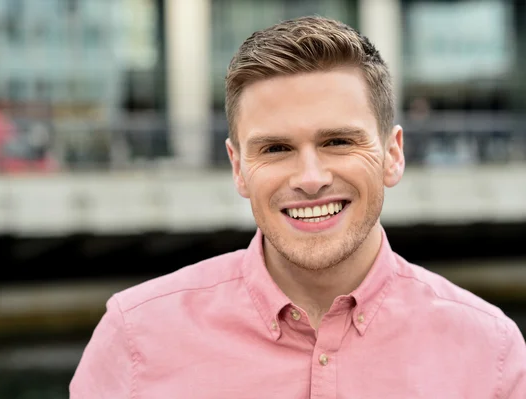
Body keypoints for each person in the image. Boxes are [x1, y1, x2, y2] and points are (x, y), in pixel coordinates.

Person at [69, 16, 526, 398]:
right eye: (275, 149)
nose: (310, 178)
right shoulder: (134, 337)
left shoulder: (492, 352)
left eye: (338, 141)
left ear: (393, 154)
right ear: (238, 168)